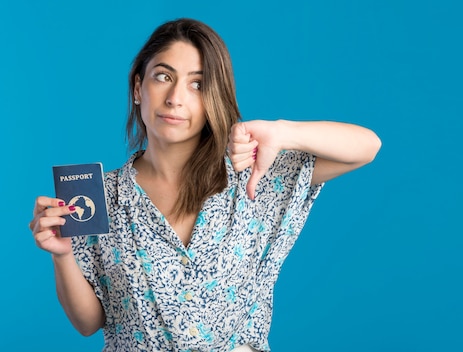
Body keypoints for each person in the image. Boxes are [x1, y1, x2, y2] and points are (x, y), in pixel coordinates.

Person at [29, 18, 381, 352]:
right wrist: (63, 257)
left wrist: (282, 131)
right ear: (138, 87)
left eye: (197, 84)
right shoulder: (98, 197)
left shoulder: (252, 174)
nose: (175, 98)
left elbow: (366, 147)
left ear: (214, 96)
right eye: (163, 77)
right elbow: (89, 322)